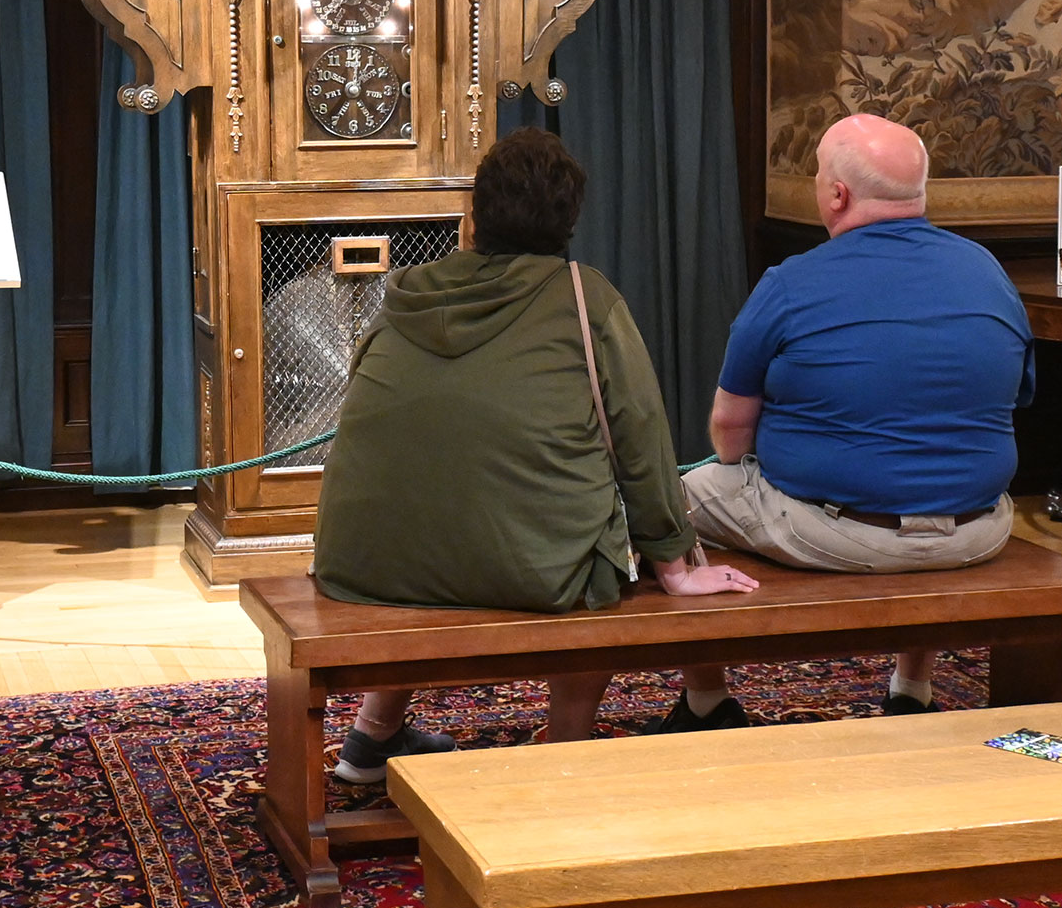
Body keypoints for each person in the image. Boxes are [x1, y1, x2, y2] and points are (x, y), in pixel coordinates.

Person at [312, 127, 756, 782]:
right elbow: (641, 439)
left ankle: (372, 735)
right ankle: (565, 752)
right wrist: (673, 559)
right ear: (570, 221)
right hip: (533, 570)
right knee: (588, 548)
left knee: (448, 513)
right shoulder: (585, 298)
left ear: (474, 215)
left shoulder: (402, 296)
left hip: (363, 561)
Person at [673, 114, 1033, 726]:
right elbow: (1015, 398)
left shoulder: (792, 283)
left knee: (668, 501)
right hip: (977, 531)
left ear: (836, 194)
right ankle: (911, 689)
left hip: (833, 531)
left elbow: (729, 429)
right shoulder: (988, 273)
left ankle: (707, 701)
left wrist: (747, 477)